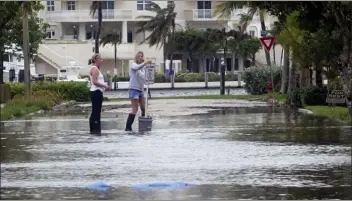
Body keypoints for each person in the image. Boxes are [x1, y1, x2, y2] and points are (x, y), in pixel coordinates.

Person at [125, 51, 152, 131]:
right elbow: (137, 68)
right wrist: (145, 63)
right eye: (139, 56)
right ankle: (128, 127)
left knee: (144, 108)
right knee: (135, 109)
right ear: (136, 58)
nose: (141, 58)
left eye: (142, 56)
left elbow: (146, 77)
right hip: (134, 89)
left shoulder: (143, 68)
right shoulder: (134, 65)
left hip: (140, 90)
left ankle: (143, 125)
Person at [88, 53, 110, 134]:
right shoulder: (95, 69)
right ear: (96, 60)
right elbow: (94, 81)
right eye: (100, 59)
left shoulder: (95, 68)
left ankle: (93, 130)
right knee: (96, 112)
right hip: (96, 92)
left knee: (95, 111)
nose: (102, 60)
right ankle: (96, 130)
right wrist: (105, 85)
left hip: (96, 91)